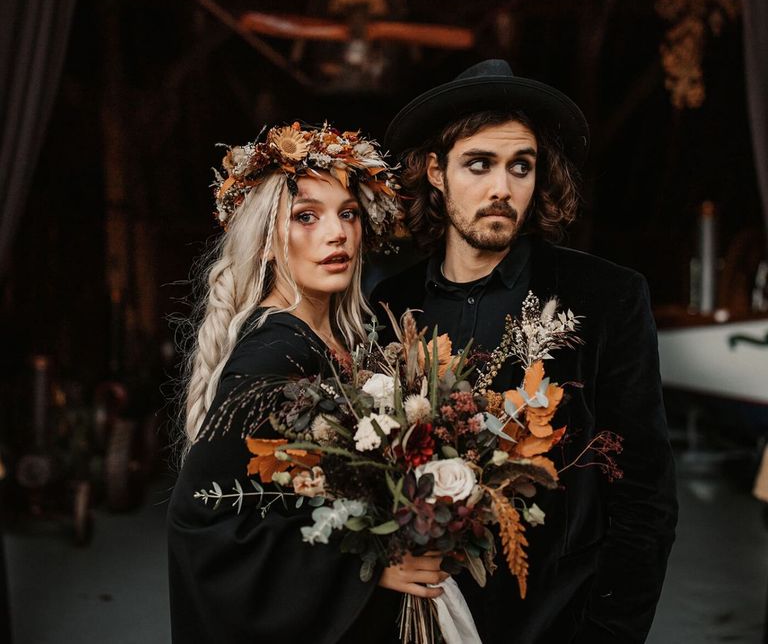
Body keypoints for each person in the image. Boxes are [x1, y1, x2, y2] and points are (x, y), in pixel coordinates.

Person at [371, 59, 678, 643]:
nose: (501, 189)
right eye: (478, 164)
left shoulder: (605, 297)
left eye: (521, 167)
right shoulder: (392, 305)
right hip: (422, 623)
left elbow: (645, 498)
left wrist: (606, 634)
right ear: (436, 172)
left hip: (558, 625)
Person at [167, 122, 450, 643]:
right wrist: (366, 566)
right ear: (268, 243)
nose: (336, 233)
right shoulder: (274, 352)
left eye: (348, 214)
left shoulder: (344, 340)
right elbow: (201, 523)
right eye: (305, 217)